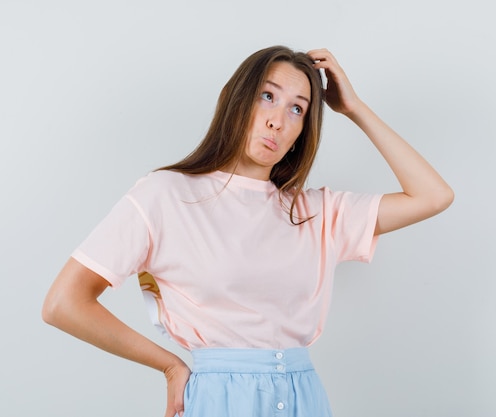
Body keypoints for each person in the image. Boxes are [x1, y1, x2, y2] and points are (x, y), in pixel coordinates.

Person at [42, 45, 454, 417]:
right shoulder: (165, 195)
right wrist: (169, 365)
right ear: (236, 101)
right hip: (220, 400)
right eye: (268, 96)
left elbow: (433, 196)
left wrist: (355, 109)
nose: (278, 120)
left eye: (298, 108)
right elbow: (64, 303)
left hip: (305, 398)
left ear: (302, 131)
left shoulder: (314, 211)